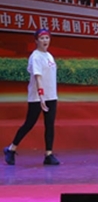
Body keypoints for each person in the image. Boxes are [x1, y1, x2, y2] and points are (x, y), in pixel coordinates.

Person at [4, 29, 61, 166]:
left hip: (51, 96)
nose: (45, 41)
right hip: (37, 97)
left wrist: (49, 95)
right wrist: (41, 95)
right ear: (36, 41)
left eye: (47, 38)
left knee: (49, 125)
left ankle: (48, 154)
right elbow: (38, 77)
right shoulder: (35, 57)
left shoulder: (49, 56)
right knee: (29, 123)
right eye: (42, 38)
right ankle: (11, 149)